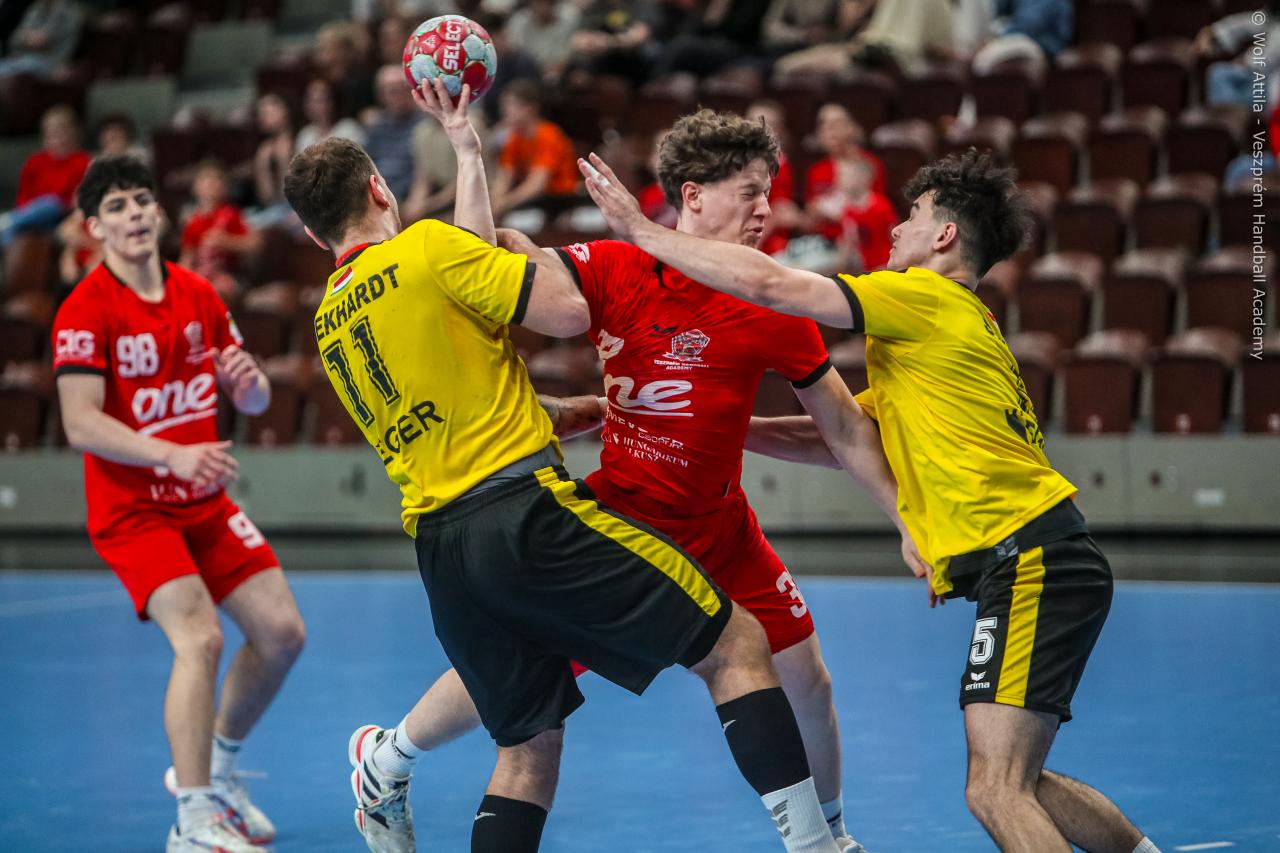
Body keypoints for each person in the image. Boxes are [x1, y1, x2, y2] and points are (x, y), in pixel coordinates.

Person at [334, 106, 923, 853]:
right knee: (537, 670)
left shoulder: (771, 298)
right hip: (622, 521)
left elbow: (842, 427)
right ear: (693, 195)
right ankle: (389, 756)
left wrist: (907, 521)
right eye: (750, 192)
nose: (767, 209)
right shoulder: (612, 267)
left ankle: (831, 834)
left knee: (808, 679)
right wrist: (479, 175)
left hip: (722, 528)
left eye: (770, 193)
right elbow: (497, 261)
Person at [580, 147, 1166, 853]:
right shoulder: (938, 338)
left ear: (944, 236)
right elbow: (836, 438)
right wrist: (704, 423)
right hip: (1044, 557)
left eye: (912, 215)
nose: (896, 227)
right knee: (1020, 778)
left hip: (1032, 558)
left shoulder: (922, 298)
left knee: (995, 789)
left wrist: (640, 231)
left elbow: (771, 284)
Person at [51, 155, 305, 853]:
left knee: (282, 633)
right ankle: (191, 821)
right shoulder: (84, 310)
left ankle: (217, 772)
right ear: (94, 227)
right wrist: (170, 454)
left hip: (203, 500)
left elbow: (254, 398)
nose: (133, 214)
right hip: (134, 510)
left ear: (158, 212)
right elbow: (80, 422)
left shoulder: (197, 293)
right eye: (116, 207)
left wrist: (247, 382)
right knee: (200, 638)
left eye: (141, 200)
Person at [489, 80, 580, 219]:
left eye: (512, 105)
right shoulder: (514, 138)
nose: (506, 112)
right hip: (535, 201)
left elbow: (537, 185)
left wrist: (505, 203)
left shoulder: (548, 135)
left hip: (559, 199)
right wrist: (494, 203)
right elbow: (504, 178)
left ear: (530, 108)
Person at [0, 105, 90, 246]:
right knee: (13, 231)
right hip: (34, 218)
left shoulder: (83, 161)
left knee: (52, 203)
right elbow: (23, 198)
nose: (57, 139)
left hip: (63, 219)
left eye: (62, 132)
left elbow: (78, 200)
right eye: (51, 133)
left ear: (74, 133)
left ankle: (8, 221)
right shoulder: (35, 161)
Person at [179, 161, 261, 302]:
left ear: (224, 187)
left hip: (229, 275)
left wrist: (227, 242)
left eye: (217, 180)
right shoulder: (193, 222)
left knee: (215, 291)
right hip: (202, 274)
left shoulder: (231, 214)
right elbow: (187, 258)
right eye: (206, 180)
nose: (212, 185)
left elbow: (254, 243)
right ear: (196, 187)